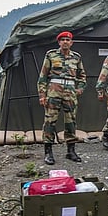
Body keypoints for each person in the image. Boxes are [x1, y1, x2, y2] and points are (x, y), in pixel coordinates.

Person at [37, 31, 86, 165]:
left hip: (70, 91)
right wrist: (42, 95)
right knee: (50, 120)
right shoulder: (51, 55)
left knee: (71, 121)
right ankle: (48, 152)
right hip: (54, 90)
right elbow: (42, 77)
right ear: (59, 42)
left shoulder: (76, 57)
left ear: (71, 43)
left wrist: (80, 88)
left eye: (67, 40)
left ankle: (71, 151)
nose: (65, 42)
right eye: (62, 40)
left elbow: (82, 76)